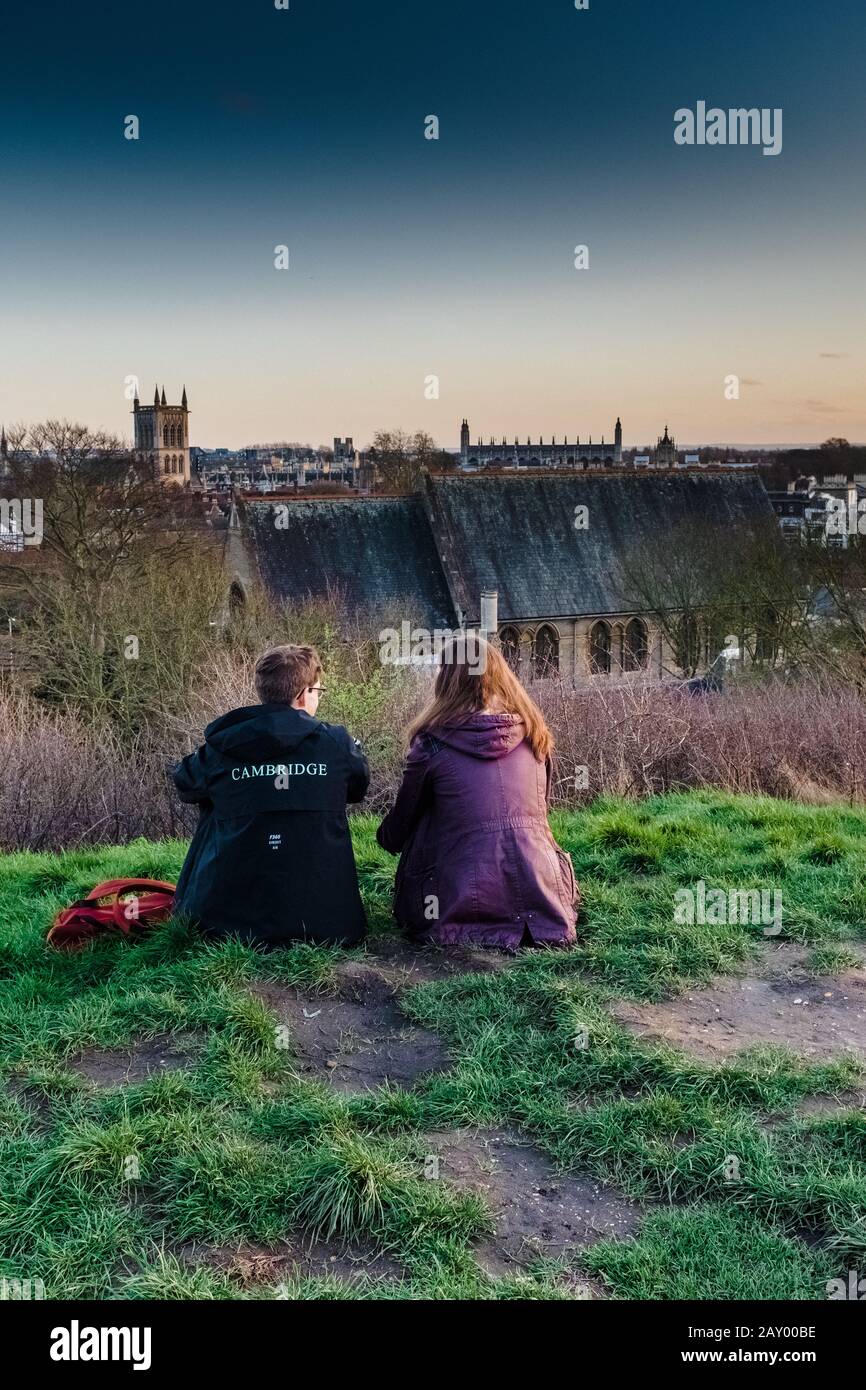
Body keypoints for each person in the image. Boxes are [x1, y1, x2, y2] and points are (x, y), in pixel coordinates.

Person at [376, 637, 578, 949]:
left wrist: (388, 836)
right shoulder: (536, 736)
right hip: (543, 901)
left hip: (455, 905)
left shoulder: (431, 744)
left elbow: (397, 833)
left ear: (446, 681)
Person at [172, 643, 369, 947]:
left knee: (215, 799)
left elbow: (184, 782)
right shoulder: (337, 744)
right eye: (319, 690)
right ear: (304, 694)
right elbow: (358, 788)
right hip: (330, 924)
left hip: (226, 927)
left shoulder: (225, 745)